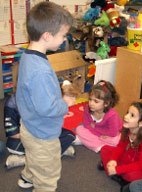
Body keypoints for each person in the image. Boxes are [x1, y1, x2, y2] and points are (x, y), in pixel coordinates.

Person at [16, 2, 73, 191]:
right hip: (42, 134)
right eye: (63, 35)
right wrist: (64, 103)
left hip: (30, 126)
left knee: (34, 158)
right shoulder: (39, 71)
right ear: (47, 36)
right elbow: (47, 108)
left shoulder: (29, 54)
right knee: (48, 172)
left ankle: (27, 178)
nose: (64, 39)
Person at [99, 102, 142, 190]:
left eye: (132, 115)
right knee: (105, 149)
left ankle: (120, 176)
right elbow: (120, 147)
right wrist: (113, 159)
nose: (126, 116)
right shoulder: (127, 129)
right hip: (131, 156)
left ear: (141, 123)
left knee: (130, 175)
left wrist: (118, 169)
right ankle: (118, 174)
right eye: (127, 112)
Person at [75, 80, 122, 153]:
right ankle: (100, 146)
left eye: (96, 101)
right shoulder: (87, 108)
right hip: (100, 134)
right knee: (79, 129)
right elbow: (86, 124)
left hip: (109, 135)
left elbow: (113, 133)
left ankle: (89, 142)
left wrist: (95, 130)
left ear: (106, 103)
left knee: (116, 140)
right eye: (90, 99)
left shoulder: (112, 115)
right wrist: (98, 133)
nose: (91, 103)